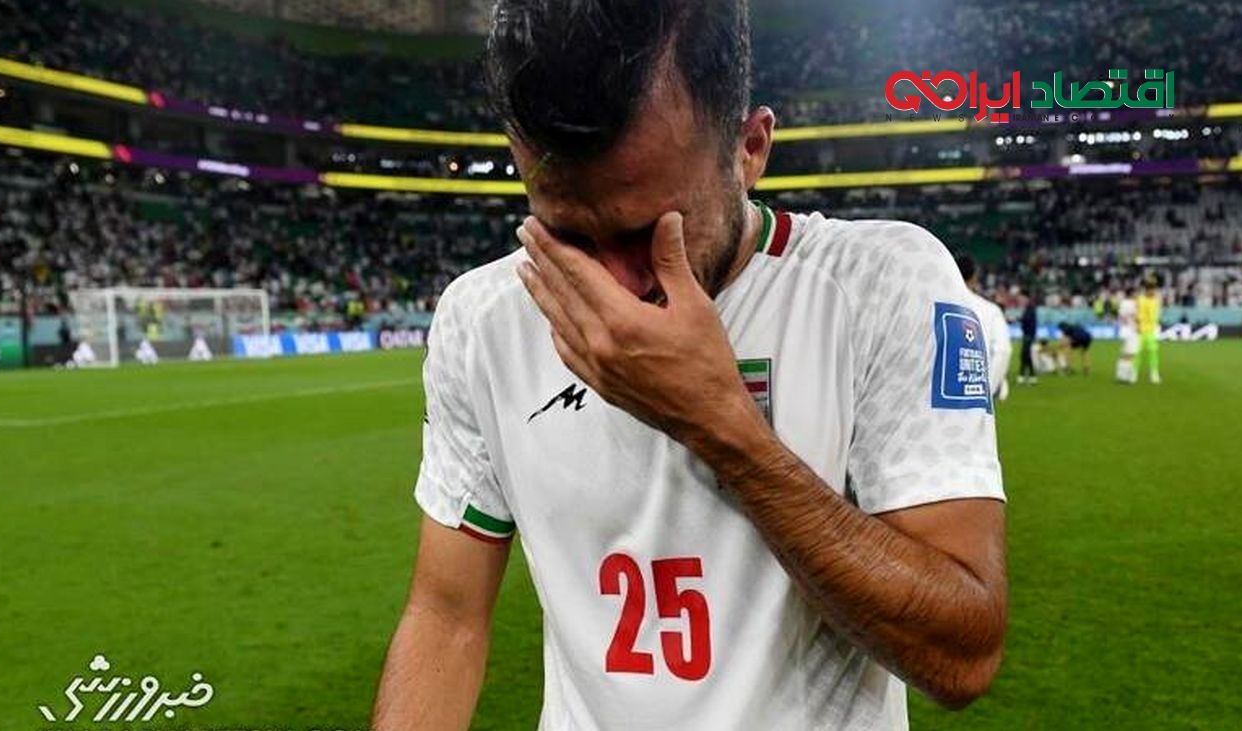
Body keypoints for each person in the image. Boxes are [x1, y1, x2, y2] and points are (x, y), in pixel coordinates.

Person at [373, 3, 1007, 729]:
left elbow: (962, 656)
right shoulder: (482, 319)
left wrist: (720, 423)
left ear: (750, 148)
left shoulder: (880, 285)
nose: (616, 283)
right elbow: (447, 616)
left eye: (649, 231)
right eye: (567, 233)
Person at [956, 255, 1012, 401]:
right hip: (975, 389)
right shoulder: (989, 310)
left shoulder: (932, 308)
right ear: (974, 277)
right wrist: (987, 391)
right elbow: (1003, 351)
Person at [1133, 276, 1163, 384]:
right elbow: (1137, 314)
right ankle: (1134, 374)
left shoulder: (1156, 300)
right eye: (1151, 289)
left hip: (1151, 331)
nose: (1153, 291)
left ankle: (1154, 374)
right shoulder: (1140, 299)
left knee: (1153, 352)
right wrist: (1137, 326)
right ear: (1146, 289)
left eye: (1154, 289)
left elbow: (1156, 314)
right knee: (1137, 353)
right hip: (1140, 330)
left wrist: (1156, 324)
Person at [1115, 288, 1140, 383]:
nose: (1137, 294)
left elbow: (1121, 316)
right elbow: (1131, 317)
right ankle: (1126, 376)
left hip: (1125, 330)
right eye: (1136, 293)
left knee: (1126, 353)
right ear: (1132, 293)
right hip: (1130, 330)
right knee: (1130, 353)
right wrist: (1134, 325)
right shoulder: (1131, 303)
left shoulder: (1124, 303)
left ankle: (1121, 375)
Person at [1018, 293, 1038, 385]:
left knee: (1025, 355)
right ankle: (1029, 376)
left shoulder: (1030, 309)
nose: (1021, 300)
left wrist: (1018, 319)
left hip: (1028, 335)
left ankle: (1024, 376)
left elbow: (1027, 320)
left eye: (1022, 298)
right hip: (1028, 335)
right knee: (1026, 356)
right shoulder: (1029, 308)